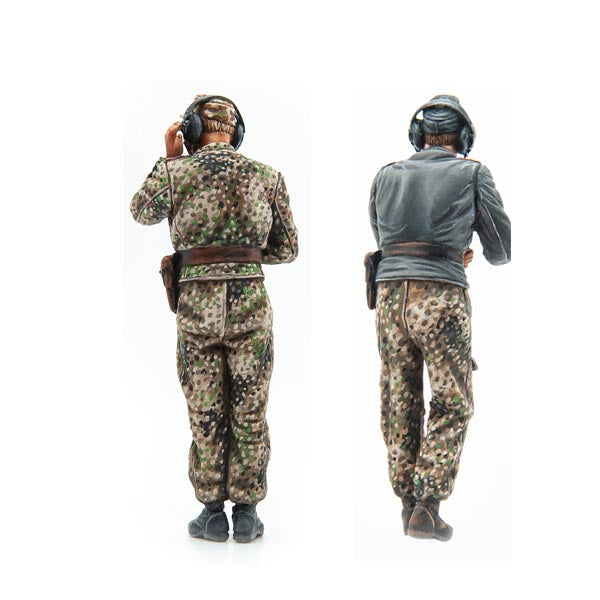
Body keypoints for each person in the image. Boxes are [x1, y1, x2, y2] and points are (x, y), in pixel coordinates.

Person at [130, 94, 298, 543]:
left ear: (191, 130)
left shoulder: (176, 172)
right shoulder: (268, 176)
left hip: (196, 309)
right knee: (250, 409)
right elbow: (287, 249)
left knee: (204, 410)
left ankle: (211, 512)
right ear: (236, 131)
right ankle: (247, 513)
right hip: (250, 307)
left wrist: (169, 161)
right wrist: (243, 255)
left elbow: (141, 211)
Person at [368, 94, 511, 541]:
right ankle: (427, 504)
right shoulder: (473, 173)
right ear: (463, 138)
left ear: (419, 135)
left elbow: (384, 237)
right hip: (441, 296)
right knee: (452, 400)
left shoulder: (386, 175)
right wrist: (457, 250)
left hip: (389, 295)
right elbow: (501, 249)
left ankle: (406, 502)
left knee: (399, 398)